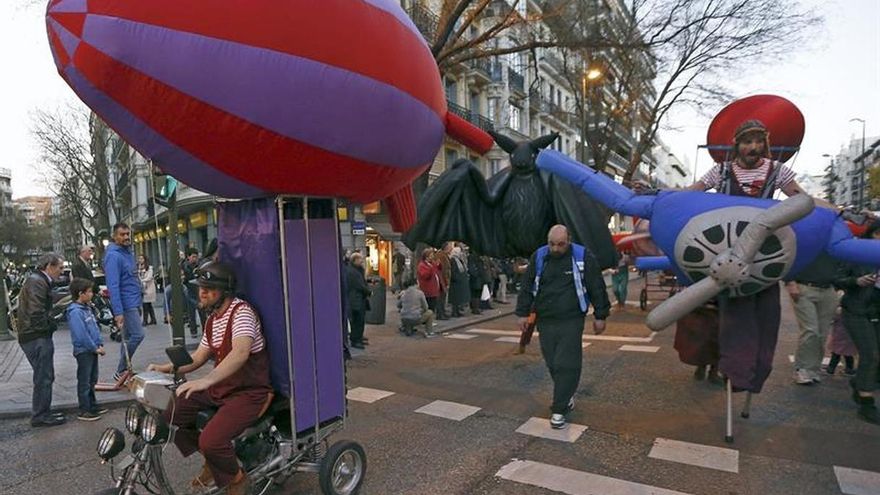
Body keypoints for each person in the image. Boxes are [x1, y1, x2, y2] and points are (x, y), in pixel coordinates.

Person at [680, 119, 831, 394]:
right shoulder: (722, 171)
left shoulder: (778, 171)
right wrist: (660, 196)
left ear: (766, 143)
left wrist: (836, 211)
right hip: (723, 255)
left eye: (758, 141)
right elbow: (691, 194)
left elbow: (802, 200)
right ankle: (725, 368)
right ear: (737, 144)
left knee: (764, 318)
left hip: (760, 258)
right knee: (717, 317)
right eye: (747, 141)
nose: (753, 147)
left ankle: (749, 373)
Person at [148, 262, 273, 494]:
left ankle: (236, 478)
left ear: (224, 291)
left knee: (211, 440)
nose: (201, 292)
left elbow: (240, 352)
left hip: (249, 392)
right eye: (200, 287)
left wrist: (206, 380)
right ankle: (213, 461)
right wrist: (164, 369)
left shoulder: (242, 313)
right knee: (170, 411)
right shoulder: (213, 319)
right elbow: (198, 357)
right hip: (222, 388)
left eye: (209, 287)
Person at [516, 225, 610, 429]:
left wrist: (600, 315)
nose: (556, 248)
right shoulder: (539, 256)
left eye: (560, 244)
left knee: (566, 362)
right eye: (552, 244)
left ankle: (559, 409)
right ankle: (566, 394)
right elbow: (527, 284)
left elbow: (596, 285)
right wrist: (522, 313)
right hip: (546, 318)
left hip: (572, 318)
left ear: (569, 240)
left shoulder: (583, 256)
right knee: (552, 361)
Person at [834, 222, 880, 424]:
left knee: (875, 357)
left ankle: (861, 383)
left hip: (876, 310)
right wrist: (856, 282)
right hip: (856, 310)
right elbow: (838, 278)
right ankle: (866, 402)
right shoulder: (857, 252)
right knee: (870, 354)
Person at [16, 253, 66, 427]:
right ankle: (40, 415)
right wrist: (50, 325)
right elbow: (36, 312)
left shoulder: (37, 280)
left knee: (45, 375)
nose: (62, 271)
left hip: (34, 334)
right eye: (59, 267)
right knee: (44, 376)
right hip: (36, 336)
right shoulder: (38, 282)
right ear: (49, 267)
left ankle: (43, 411)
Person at [785, 253, 841, 385]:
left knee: (822, 332)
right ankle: (802, 369)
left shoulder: (836, 240)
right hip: (804, 287)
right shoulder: (808, 238)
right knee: (810, 329)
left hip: (828, 289)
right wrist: (790, 282)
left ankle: (814, 369)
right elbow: (790, 257)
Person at [103, 222, 144, 382]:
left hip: (135, 300)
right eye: (122, 234)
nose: (126, 237)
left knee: (127, 338)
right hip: (127, 304)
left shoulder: (128, 253)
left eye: (128, 234)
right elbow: (113, 285)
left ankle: (123, 370)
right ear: (115, 237)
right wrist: (118, 312)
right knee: (138, 335)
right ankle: (121, 369)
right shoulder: (113, 256)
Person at [66, 278, 108, 421]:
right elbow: (81, 334)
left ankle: (92, 405)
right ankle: (84, 409)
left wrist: (99, 343)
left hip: (92, 349)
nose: (91, 294)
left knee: (92, 379)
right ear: (80, 293)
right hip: (84, 351)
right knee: (84, 380)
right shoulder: (76, 312)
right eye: (89, 292)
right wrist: (94, 347)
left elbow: (94, 328)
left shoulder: (87, 308)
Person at [344, 252, 371, 349]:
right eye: (360, 259)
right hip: (356, 299)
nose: (362, 261)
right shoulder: (352, 272)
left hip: (359, 298)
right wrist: (368, 291)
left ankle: (358, 338)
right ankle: (356, 340)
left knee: (360, 320)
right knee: (357, 320)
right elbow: (359, 285)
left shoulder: (357, 270)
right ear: (355, 260)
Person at [825, 309, 857, 376]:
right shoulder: (854, 313)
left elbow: (831, 319)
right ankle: (849, 369)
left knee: (836, 354)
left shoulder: (839, 312)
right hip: (849, 337)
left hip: (839, 336)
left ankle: (831, 368)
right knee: (848, 354)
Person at [417, 248, 441, 315]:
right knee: (428, 306)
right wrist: (432, 269)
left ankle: (431, 319)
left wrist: (438, 265)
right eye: (431, 255)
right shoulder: (422, 265)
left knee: (433, 306)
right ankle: (427, 321)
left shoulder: (432, 264)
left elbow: (437, 271)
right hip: (428, 290)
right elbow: (425, 276)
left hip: (434, 289)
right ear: (426, 257)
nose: (432, 257)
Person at [449, 246, 470, 317]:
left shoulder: (459, 260)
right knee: (455, 298)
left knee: (459, 298)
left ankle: (458, 311)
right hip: (455, 283)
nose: (460, 253)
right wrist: (456, 278)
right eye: (459, 252)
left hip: (460, 282)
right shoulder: (452, 260)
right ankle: (454, 312)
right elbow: (452, 271)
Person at [434, 242, 453, 319]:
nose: (451, 249)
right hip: (442, 280)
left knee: (443, 297)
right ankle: (440, 313)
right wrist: (446, 281)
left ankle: (443, 312)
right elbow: (444, 269)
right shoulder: (441, 255)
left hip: (444, 279)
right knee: (441, 297)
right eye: (449, 247)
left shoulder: (444, 255)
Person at [138, 254, 157, 326]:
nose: (140, 260)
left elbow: (149, 277)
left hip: (149, 288)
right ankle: (153, 319)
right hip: (143, 287)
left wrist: (142, 280)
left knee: (145, 304)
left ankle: (145, 320)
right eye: (139, 259)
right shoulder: (139, 267)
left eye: (142, 259)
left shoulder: (149, 268)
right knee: (148, 305)